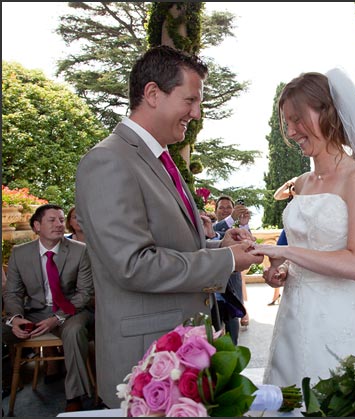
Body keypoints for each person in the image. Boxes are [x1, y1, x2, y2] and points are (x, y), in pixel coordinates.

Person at [74, 45, 262, 407]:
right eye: (190, 100)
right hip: (146, 360)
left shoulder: (159, 158)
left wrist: (220, 247)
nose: (196, 113)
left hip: (182, 352)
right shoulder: (108, 161)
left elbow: (172, 245)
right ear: (153, 94)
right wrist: (225, 264)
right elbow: (133, 265)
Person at [249, 69, 355, 388]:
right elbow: (301, 251)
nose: (292, 131)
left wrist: (282, 250)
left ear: (327, 112)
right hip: (293, 318)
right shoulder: (303, 183)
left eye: (298, 119)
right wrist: (278, 270)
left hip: (339, 318)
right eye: (288, 122)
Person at [3, 204, 94, 412]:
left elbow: (84, 293)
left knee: (73, 331)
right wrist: (16, 318)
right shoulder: (20, 253)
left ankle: (74, 397)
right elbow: (13, 293)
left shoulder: (80, 251)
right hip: (34, 312)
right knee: (3, 330)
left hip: (70, 311)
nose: (59, 224)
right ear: (37, 226)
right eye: (52, 220)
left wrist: (57, 318)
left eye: (61, 220)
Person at [213, 196, 251, 340]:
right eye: (221, 207)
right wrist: (231, 218)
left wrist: (244, 225)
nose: (225, 210)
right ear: (215, 211)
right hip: (213, 293)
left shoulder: (237, 231)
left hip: (232, 291)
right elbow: (213, 233)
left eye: (229, 207)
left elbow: (249, 246)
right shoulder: (209, 226)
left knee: (232, 337)